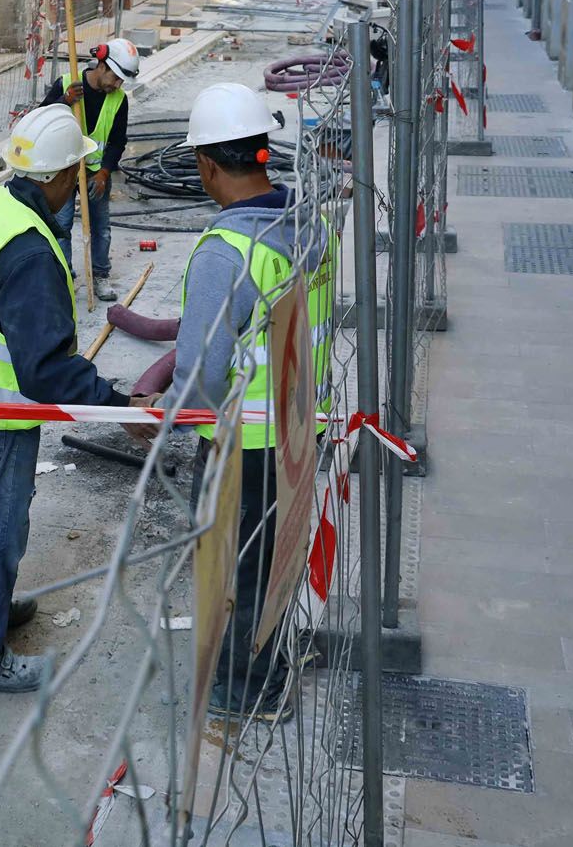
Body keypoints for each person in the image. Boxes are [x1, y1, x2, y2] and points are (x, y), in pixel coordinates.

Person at [0, 104, 132, 694]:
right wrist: (118, 405)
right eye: (78, 174)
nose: (82, 185)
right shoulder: (32, 252)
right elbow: (44, 372)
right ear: (59, 177)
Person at [168, 82, 336, 722]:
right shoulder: (309, 225)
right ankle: (267, 668)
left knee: (232, 571)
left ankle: (245, 693)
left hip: (243, 443)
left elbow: (200, 372)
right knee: (274, 561)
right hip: (298, 426)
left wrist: (179, 412)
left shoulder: (225, 252)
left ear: (207, 164)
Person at [41, 38, 139, 302]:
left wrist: (105, 172)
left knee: (101, 226)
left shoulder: (118, 100)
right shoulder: (67, 83)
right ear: (103, 65)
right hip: (64, 169)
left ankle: (100, 275)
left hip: (95, 172)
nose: (117, 85)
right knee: (60, 225)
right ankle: (64, 276)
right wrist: (64, 100)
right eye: (116, 78)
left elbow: (118, 141)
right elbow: (41, 118)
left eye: (121, 81)